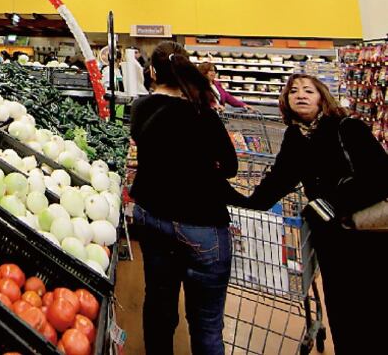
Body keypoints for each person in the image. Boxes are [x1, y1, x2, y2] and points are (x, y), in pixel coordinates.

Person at [236, 74, 388, 354]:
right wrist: (240, 201)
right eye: (293, 91)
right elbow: (278, 182)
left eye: (309, 90)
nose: (300, 95)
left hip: (367, 238)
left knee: (374, 307)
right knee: (343, 310)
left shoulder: (347, 127)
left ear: (322, 97)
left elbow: (381, 177)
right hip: (332, 242)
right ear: (286, 100)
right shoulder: (295, 138)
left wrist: (329, 205)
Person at [129, 41, 239, 355]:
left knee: (159, 307)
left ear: (151, 72)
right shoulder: (202, 112)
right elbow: (230, 167)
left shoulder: (141, 108)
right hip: (202, 224)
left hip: (152, 216)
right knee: (205, 324)